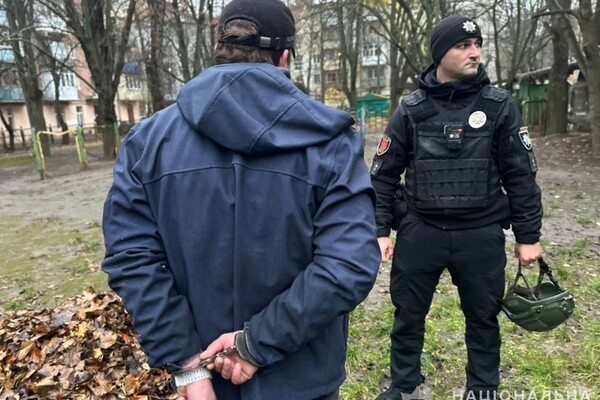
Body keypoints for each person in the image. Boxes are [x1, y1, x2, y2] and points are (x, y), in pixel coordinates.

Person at [101, 0, 381, 399]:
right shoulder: (331, 142)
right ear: (285, 57)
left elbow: (132, 259)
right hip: (302, 380)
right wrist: (254, 344)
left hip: (205, 382)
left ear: (220, 49)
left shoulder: (148, 141)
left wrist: (187, 366)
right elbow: (348, 264)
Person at [370, 15, 543, 400]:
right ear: (439, 54)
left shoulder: (498, 106)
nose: (475, 52)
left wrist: (528, 236)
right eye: (463, 45)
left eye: (477, 44)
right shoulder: (411, 109)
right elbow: (383, 176)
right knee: (408, 315)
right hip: (421, 231)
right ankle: (404, 386)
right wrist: (381, 230)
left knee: (483, 318)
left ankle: (482, 389)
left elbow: (520, 175)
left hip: (480, 233)